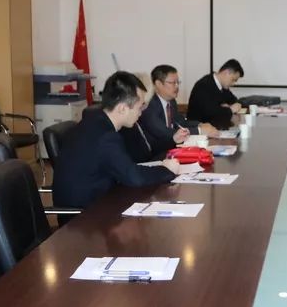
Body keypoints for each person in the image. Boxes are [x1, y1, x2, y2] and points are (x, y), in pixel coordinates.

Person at [52, 71, 181, 208]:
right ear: (122, 108)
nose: (141, 113)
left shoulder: (95, 121)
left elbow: (126, 169)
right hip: (85, 215)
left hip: (96, 201)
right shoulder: (105, 136)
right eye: (139, 107)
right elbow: (133, 177)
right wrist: (166, 170)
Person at [141, 64, 216, 153]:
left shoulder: (171, 101)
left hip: (170, 149)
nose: (177, 86)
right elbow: (166, 133)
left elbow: (181, 122)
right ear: (158, 84)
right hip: (154, 154)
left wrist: (200, 124)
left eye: (178, 82)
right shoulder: (150, 106)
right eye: (173, 83)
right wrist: (199, 130)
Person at [187, 59, 243, 129]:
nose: (233, 84)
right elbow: (210, 112)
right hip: (199, 130)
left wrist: (229, 108)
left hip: (215, 128)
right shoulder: (204, 85)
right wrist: (230, 110)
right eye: (233, 80)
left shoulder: (223, 87)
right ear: (226, 72)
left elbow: (234, 100)